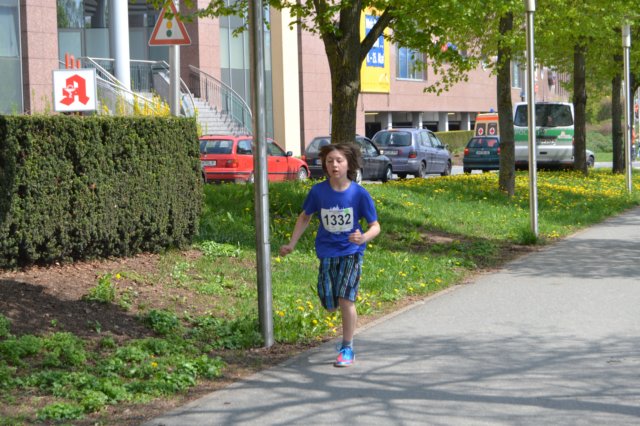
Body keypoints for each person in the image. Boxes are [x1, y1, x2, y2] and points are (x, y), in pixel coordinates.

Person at [279, 143, 380, 367]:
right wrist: (292, 244)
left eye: (339, 161)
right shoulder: (318, 192)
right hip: (326, 252)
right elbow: (305, 217)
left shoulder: (359, 194)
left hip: (351, 252)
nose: (334, 165)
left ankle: (347, 347)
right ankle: (339, 315)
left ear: (349, 164)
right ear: (325, 165)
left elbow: (375, 226)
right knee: (330, 303)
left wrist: (363, 237)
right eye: (330, 161)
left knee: (346, 299)